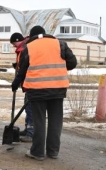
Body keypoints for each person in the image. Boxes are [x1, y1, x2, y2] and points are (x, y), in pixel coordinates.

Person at [11, 25, 77, 161]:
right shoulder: (60, 44)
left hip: (37, 89)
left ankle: (37, 152)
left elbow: (23, 70)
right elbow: (72, 63)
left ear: (32, 35)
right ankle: (53, 152)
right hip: (58, 89)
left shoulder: (29, 47)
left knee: (39, 121)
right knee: (55, 121)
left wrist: (16, 83)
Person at [9, 32, 33, 142]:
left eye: (14, 43)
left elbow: (25, 67)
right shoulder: (24, 47)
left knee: (30, 108)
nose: (13, 45)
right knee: (28, 107)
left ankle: (31, 133)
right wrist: (18, 65)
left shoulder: (24, 48)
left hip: (31, 82)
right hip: (28, 82)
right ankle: (28, 129)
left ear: (18, 40)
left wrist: (17, 81)